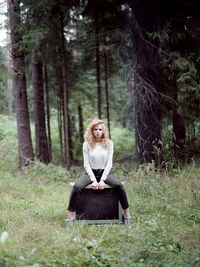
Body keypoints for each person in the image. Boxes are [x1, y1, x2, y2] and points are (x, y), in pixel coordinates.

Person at [66, 119, 131, 227]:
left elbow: (109, 164)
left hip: (105, 172)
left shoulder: (109, 143)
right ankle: (69, 218)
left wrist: (101, 180)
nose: (97, 131)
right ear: (91, 131)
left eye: (100, 129)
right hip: (90, 173)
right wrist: (93, 180)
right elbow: (86, 164)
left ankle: (127, 216)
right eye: (95, 129)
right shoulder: (87, 144)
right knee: (77, 187)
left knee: (119, 185)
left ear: (103, 131)